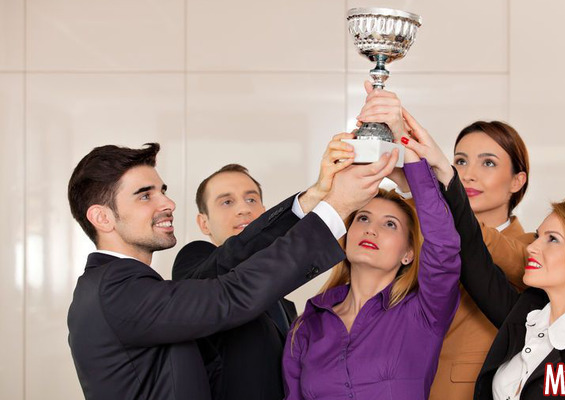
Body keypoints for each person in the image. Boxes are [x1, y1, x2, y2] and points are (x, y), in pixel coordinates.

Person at [66, 141, 398, 399]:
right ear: (102, 218)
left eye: (162, 191)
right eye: (144, 195)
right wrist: (336, 208)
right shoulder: (115, 288)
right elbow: (231, 291)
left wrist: (315, 197)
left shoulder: (121, 286)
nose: (167, 203)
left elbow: (235, 259)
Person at [397, 118, 565, 399]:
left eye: (552, 239)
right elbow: (471, 249)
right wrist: (440, 169)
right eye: (538, 236)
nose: (532, 247)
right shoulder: (523, 318)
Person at [356, 82, 535, 399]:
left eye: (488, 163)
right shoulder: (421, 226)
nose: (468, 174)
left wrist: (427, 186)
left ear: (517, 181)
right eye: (461, 161)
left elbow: (477, 242)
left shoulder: (531, 248)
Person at [171, 134, 358, 400]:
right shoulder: (195, 261)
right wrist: (320, 199)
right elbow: (234, 261)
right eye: (226, 202)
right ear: (204, 223)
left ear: (265, 212)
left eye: (251, 200)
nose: (243, 210)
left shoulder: (284, 305)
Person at [282, 130, 462, 399]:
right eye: (363, 218)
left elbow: (444, 246)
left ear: (409, 253)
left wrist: (410, 159)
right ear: (346, 237)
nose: (371, 229)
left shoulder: (425, 313)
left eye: (390, 224)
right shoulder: (307, 324)